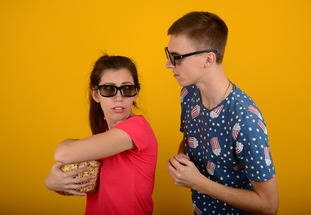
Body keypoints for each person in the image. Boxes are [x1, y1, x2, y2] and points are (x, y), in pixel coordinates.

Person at [165, 12, 278, 215]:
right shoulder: (188, 94)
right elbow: (189, 140)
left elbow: (269, 205)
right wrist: (181, 160)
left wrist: (198, 182)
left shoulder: (245, 118)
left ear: (208, 59)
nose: (168, 64)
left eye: (177, 58)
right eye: (169, 55)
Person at [45, 55, 158, 215]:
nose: (119, 98)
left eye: (127, 89)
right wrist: (54, 184)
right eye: (108, 89)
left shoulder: (137, 129)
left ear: (136, 93)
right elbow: (82, 187)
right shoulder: (104, 132)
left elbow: (63, 153)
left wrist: (49, 181)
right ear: (95, 94)